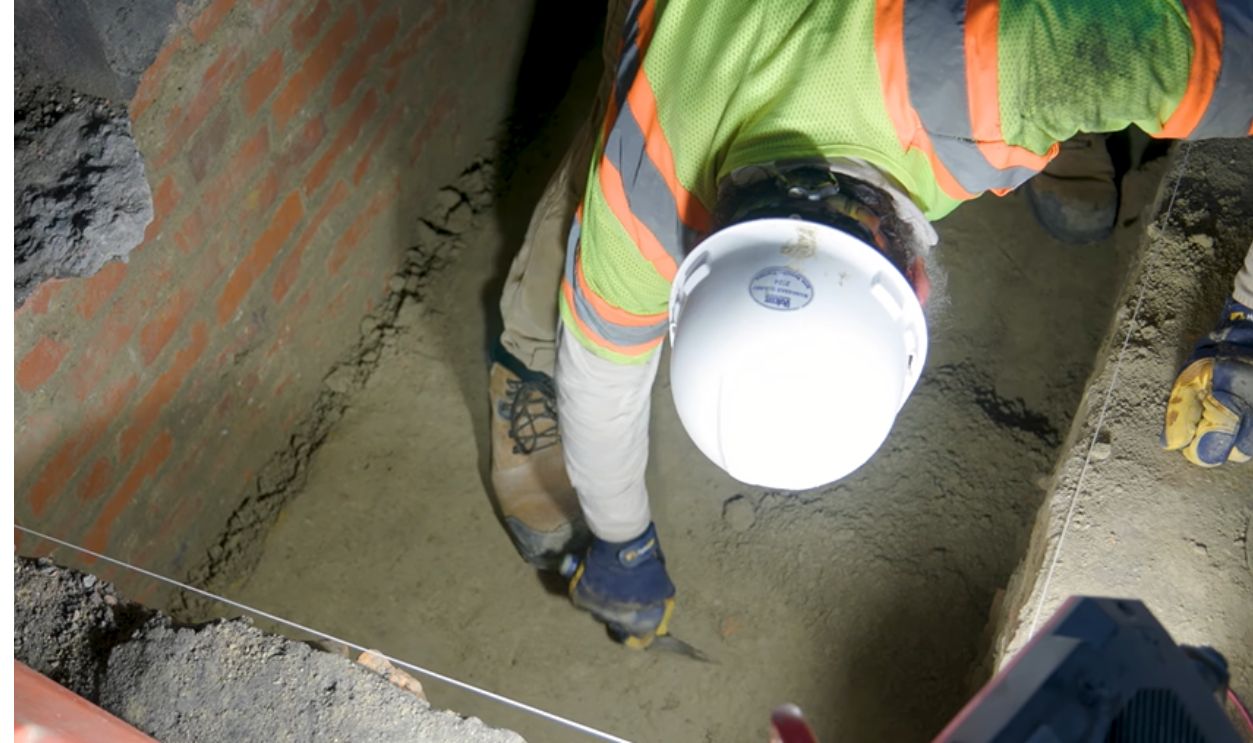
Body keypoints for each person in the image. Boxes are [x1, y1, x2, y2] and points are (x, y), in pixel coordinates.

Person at [488, 0, 1253, 648]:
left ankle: (1082, 132)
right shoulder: (640, 191)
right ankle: (521, 352)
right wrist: (620, 540)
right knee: (611, 127)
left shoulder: (1012, 66)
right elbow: (596, 379)